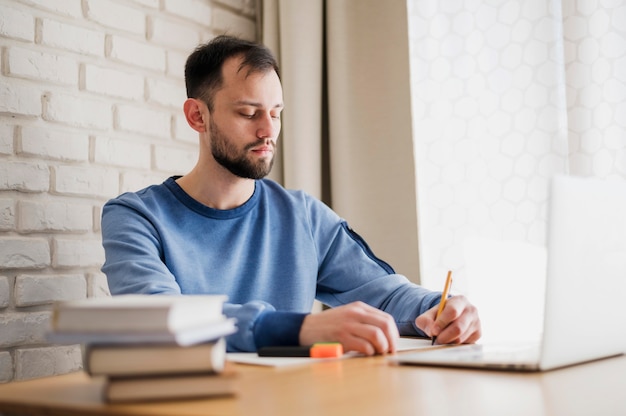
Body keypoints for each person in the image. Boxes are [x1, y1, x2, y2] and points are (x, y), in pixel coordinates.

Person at [101, 35, 481, 355]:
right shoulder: (135, 217)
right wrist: (298, 329)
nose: (268, 131)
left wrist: (440, 309)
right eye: (249, 113)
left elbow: (383, 293)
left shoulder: (303, 216)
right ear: (198, 116)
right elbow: (159, 317)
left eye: (276, 113)